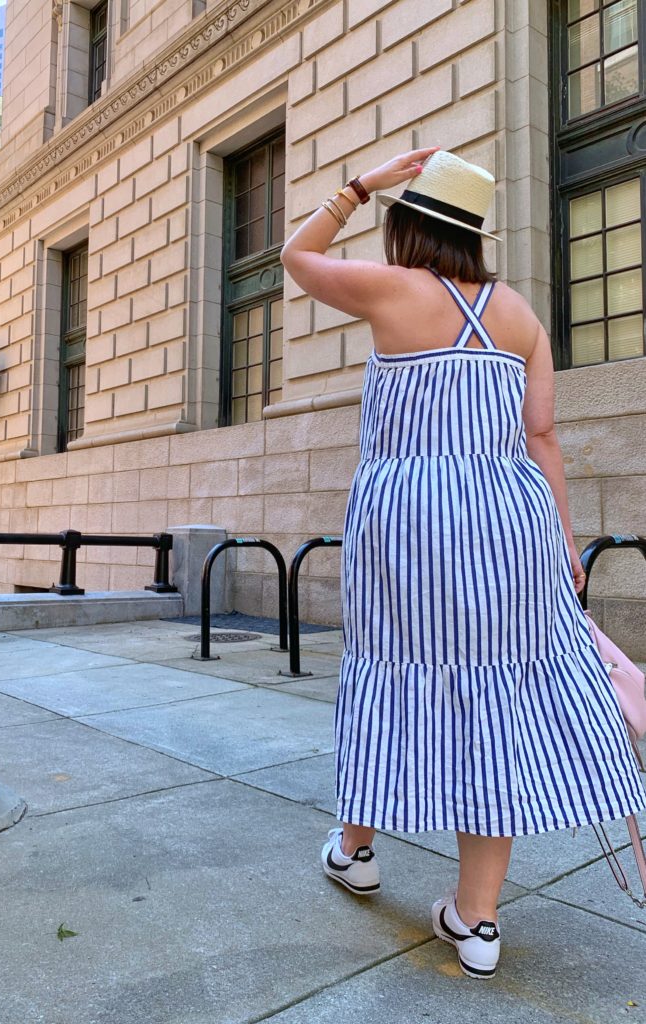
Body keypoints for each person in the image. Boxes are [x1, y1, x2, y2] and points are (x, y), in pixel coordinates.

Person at [280, 148, 646, 980]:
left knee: (390, 673)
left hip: (408, 526)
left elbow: (296, 258)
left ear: (408, 225)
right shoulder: (517, 313)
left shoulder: (391, 290)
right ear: (474, 234)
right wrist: (563, 541)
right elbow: (542, 435)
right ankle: (476, 920)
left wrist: (359, 185)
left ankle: (357, 849)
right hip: (511, 525)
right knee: (496, 698)